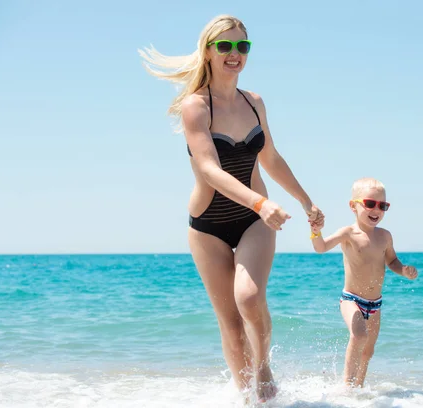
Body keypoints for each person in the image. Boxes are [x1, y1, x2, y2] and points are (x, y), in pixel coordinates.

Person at [139, 15, 324, 402]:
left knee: (250, 298)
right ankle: (245, 399)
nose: (234, 53)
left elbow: (270, 157)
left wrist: (305, 201)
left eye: (242, 46)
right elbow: (208, 168)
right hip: (208, 226)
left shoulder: (254, 103)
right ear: (208, 51)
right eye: (225, 46)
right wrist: (261, 200)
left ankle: (263, 370)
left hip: (255, 220)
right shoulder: (195, 107)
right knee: (231, 326)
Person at [309, 177, 417, 387]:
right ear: (353, 206)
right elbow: (320, 247)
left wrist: (403, 270)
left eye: (382, 206)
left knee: (368, 350)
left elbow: (392, 261)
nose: (376, 209)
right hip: (351, 299)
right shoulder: (349, 233)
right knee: (358, 336)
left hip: (375, 304)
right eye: (370, 203)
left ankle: (359, 389)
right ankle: (347, 388)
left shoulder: (385, 236)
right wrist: (315, 231)